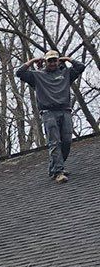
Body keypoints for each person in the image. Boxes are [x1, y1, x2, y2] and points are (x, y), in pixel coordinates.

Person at [15, 49, 87, 182]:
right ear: (46, 62)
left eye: (55, 60)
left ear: (58, 61)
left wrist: (67, 59)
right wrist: (32, 61)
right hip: (48, 113)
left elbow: (81, 67)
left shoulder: (66, 73)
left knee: (66, 141)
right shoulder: (37, 76)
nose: (53, 63)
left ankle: (55, 167)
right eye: (50, 60)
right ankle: (58, 172)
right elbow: (20, 73)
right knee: (54, 142)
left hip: (65, 110)